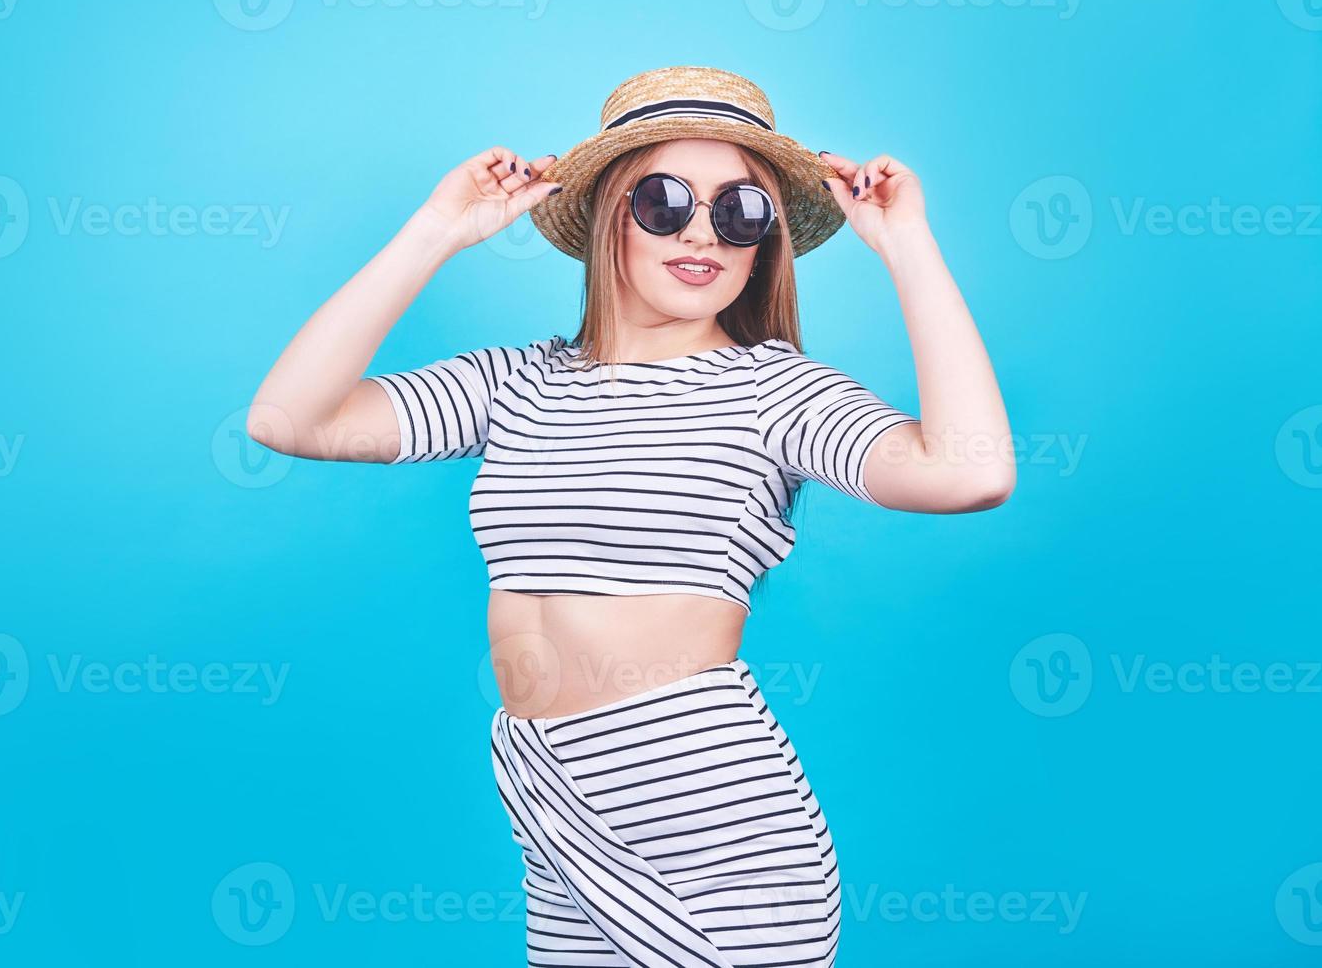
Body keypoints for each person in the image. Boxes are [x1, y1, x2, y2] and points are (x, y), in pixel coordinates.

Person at [247, 65, 1013, 967]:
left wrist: (908, 244)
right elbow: (287, 419)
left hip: (711, 824)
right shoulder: (517, 383)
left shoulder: (769, 391)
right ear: (611, 209)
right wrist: (435, 233)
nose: (703, 234)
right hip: (555, 812)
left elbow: (970, 474)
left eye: (741, 212)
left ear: (764, 243)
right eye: (665, 201)